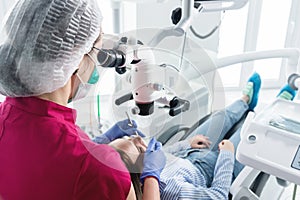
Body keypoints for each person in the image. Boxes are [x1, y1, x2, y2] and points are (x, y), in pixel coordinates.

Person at [0, 0, 165, 199]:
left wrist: (95, 144)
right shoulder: (102, 171)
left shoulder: (5, 118)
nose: (97, 64)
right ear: (75, 60)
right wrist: (151, 177)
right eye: (97, 53)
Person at [108, 72, 298, 200]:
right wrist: (227, 155)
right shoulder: (171, 190)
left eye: (127, 138)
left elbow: (163, 153)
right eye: (137, 146)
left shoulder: (149, 161)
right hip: (210, 168)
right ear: (141, 171)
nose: (139, 139)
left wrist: (186, 144)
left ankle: (245, 100)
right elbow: (218, 196)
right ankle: (278, 104)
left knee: (220, 117)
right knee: (251, 131)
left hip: (190, 152)